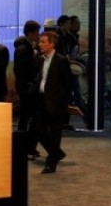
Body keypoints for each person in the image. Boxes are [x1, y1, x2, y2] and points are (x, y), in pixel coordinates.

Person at [32, 30, 72, 174]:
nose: (40, 44)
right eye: (40, 41)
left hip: (57, 103)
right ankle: (56, 153)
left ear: (52, 44)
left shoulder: (61, 60)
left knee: (55, 135)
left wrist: (63, 101)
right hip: (42, 101)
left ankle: (51, 163)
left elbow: (68, 84)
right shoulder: (41, 59)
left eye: (43, 42)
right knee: (38, 130)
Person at [13, 20, 41, 140]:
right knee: (28, 114)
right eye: (37, 33)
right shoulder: (24, 48)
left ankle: (23, 143)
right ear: (30, 33)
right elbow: (21, 70)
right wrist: (30, 83)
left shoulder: (25, 46)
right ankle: (23, 142)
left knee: (26, 114)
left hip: (23, 85)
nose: (38, 35)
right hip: (26, 86)